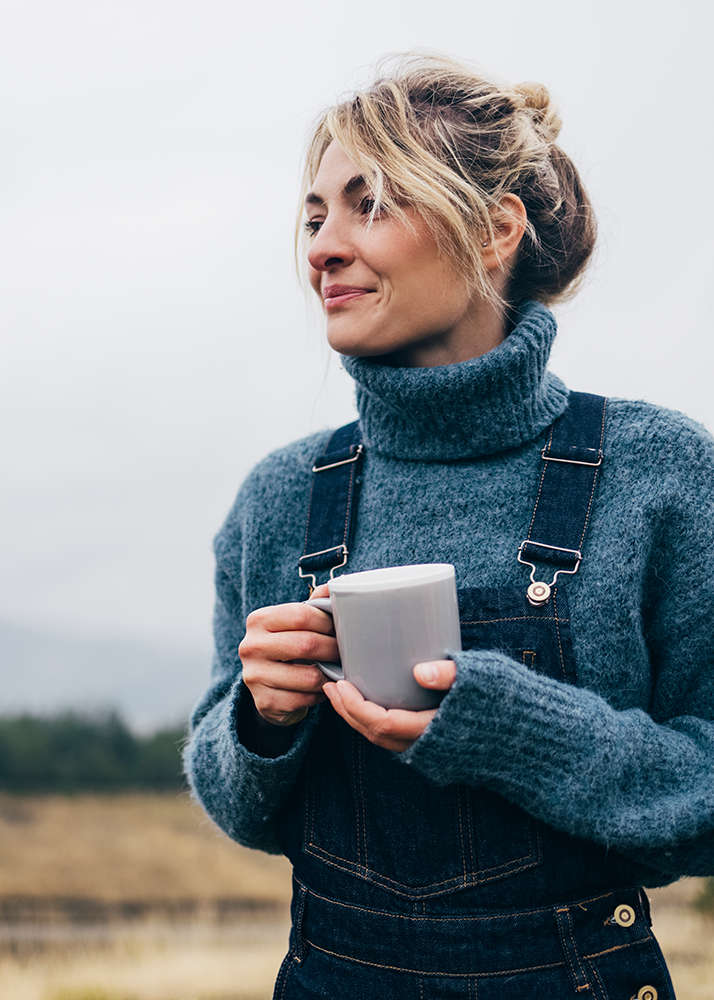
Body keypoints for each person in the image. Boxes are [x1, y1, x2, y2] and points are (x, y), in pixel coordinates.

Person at [182, 50, 714, 999]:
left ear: (496, 228)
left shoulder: (660, 473)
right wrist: (259, 723)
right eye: (313, 217)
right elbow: (240, 809)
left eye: (370, 204)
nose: (321, 247)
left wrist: (511, 727)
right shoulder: (281, 496)